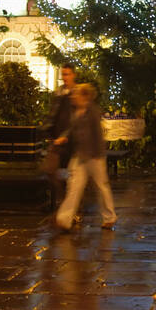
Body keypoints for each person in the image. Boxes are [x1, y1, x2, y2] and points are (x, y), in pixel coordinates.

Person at [55, 84, 118, 231]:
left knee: (101, 187)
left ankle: (109, 217)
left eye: (76, 94)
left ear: (84, 96)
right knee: (74, 187)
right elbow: (72, 129)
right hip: (80, 155)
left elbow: (98, 135)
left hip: (94, 156)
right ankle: (64, 220)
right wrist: (64, 137)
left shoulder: (93, 112)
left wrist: (98, 155)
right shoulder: (75, 111)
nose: (73, 96)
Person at [43, 64, 77, 207]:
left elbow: (77, 119)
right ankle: (64, 201)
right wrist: (48, 131)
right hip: (57, 140)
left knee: (75, 176)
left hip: (72, 141)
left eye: (67, 74)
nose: (65, 77)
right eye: (63, 74)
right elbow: (52, 114)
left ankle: (74, 206)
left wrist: (67, 135)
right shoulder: (59, 93)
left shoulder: (77, 94)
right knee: (50, 169)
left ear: (74, 75)